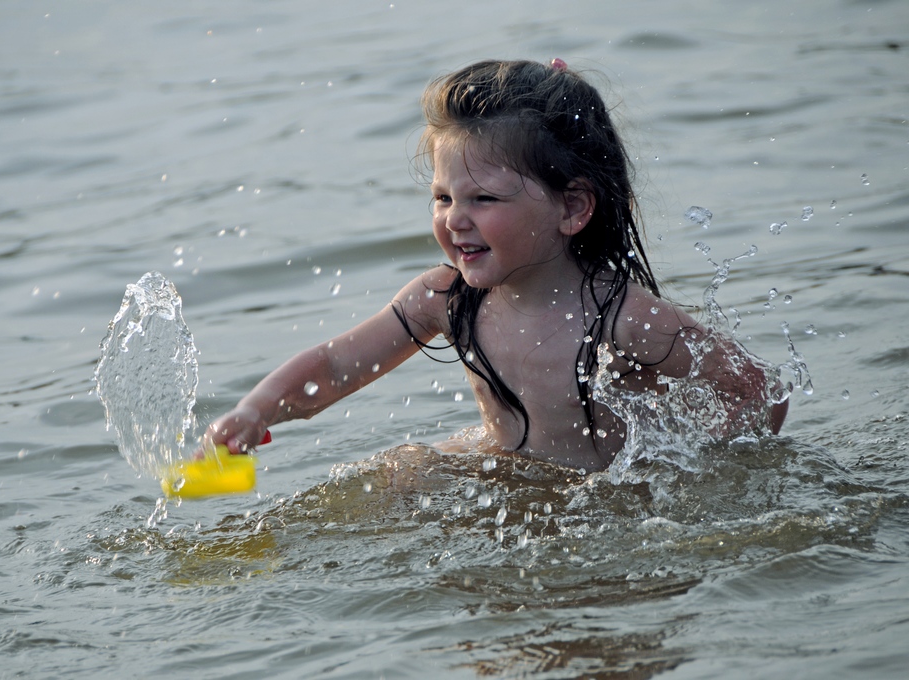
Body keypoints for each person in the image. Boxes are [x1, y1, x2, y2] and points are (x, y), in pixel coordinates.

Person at [204, 58, 787, 472]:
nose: (456, 219)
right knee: (396, 472)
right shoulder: (445, 299)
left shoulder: (621, 318)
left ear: (573, 207)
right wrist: (255, 410)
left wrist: (676, 469)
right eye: (442, 198)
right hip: (498, 462)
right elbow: (334, 365)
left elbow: (761, 392)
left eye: (483, 199)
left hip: (591, 490)